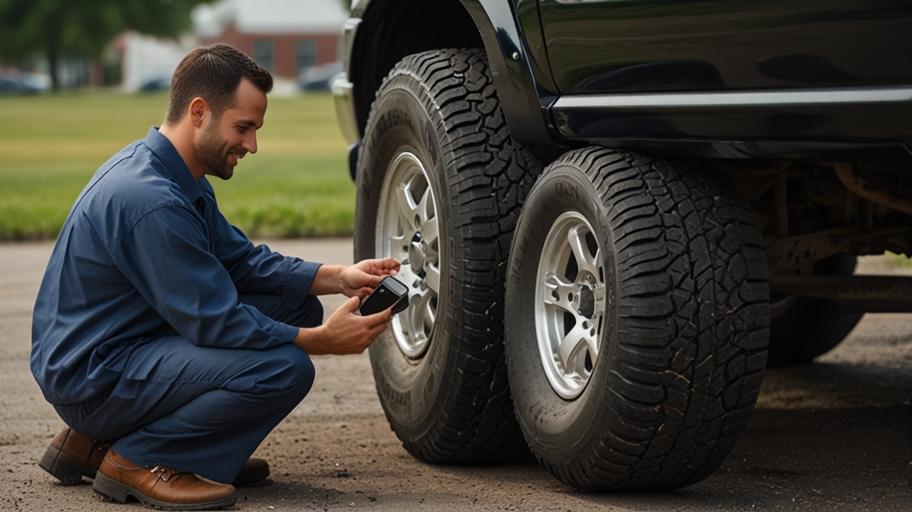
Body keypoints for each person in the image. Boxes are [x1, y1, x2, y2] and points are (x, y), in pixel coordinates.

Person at [30, 44, 399, 510]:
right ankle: (141, 457)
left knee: (294, 304)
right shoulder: (152, 201)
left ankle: (159, 443)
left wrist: (338, 277)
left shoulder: (173, 173)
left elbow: (241, 263)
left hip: (118, 345)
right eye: (243, 127)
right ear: (199, 112)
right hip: (94, 376)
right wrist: (323, 339)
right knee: (284, 368)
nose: (252, 145)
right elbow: (214, 320)